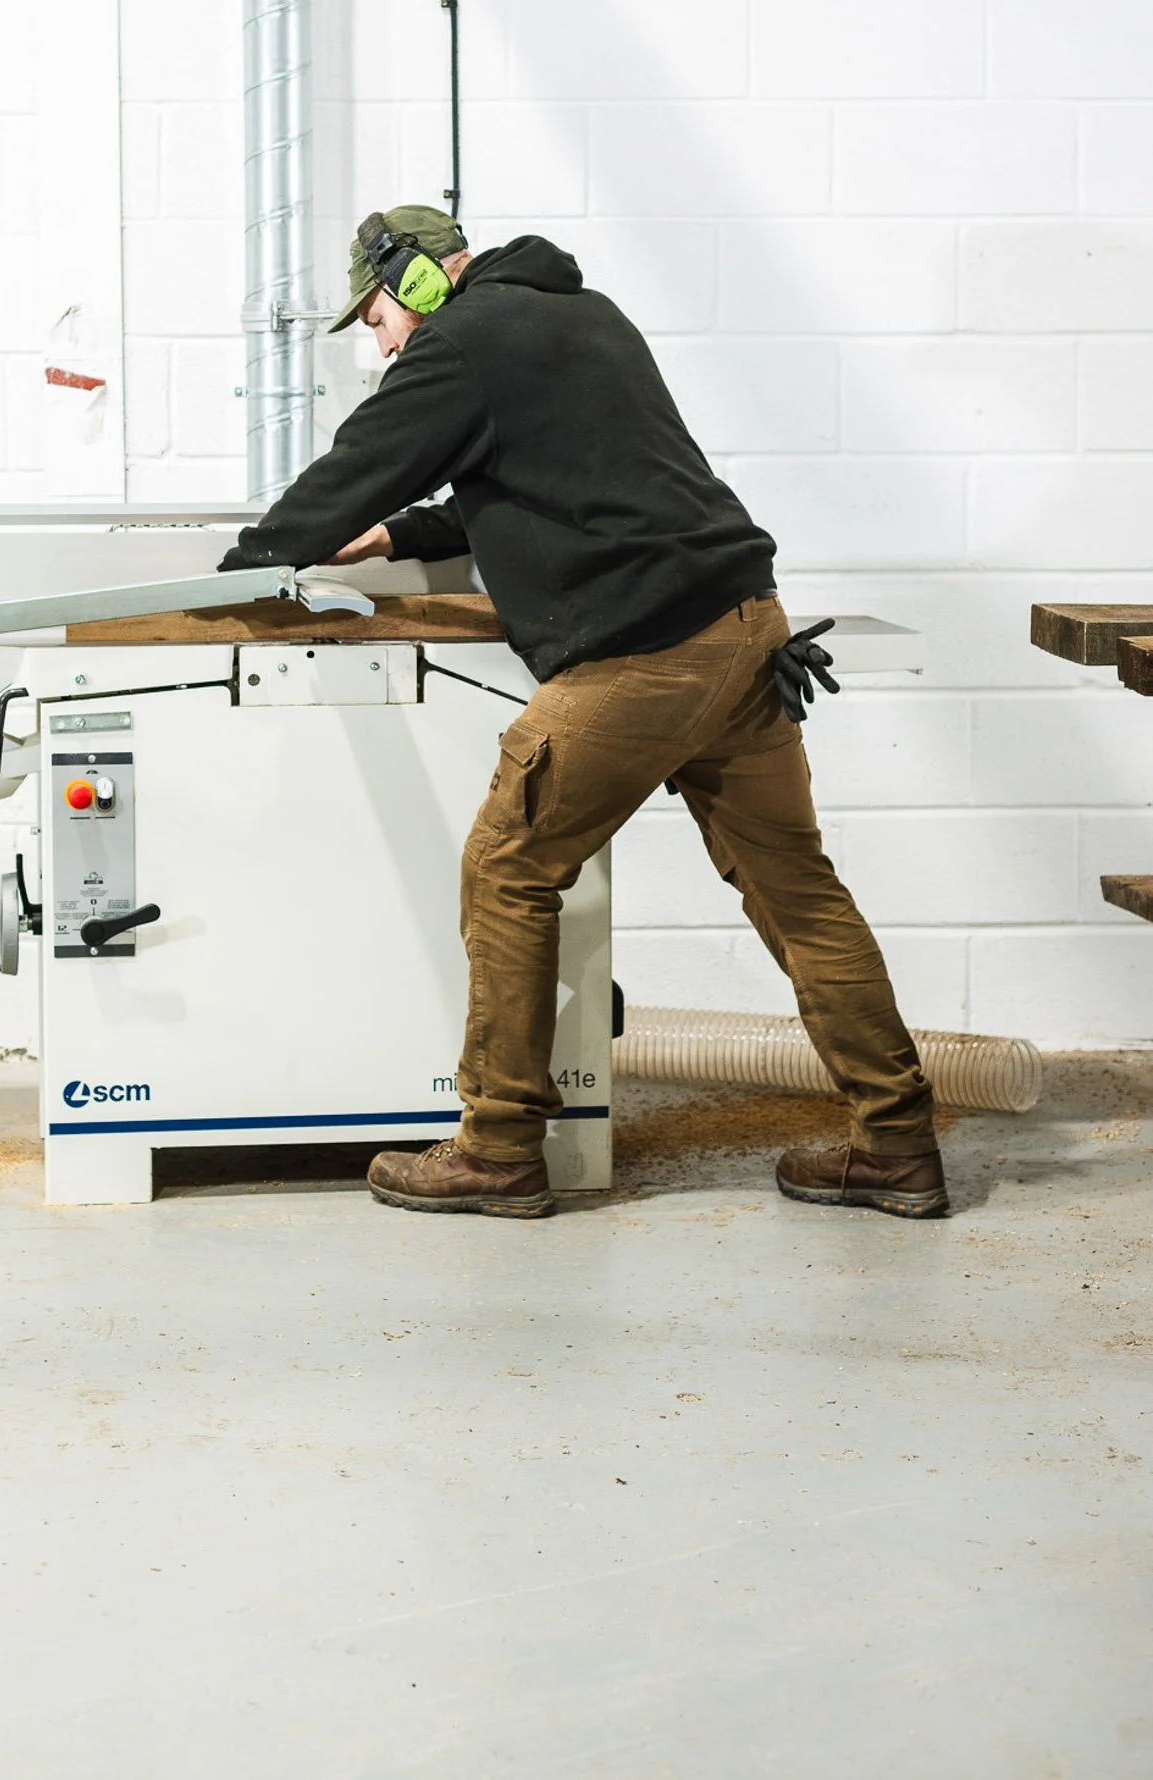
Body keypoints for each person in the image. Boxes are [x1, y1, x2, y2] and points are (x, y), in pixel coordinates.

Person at [219, 205, 948, 1223]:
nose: (380, 339)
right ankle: (900, 1145)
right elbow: (544, 470)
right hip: (743, 629)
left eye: (377, 314)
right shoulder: (583, 313)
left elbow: (351, 469)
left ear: (418, 282)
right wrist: (396, 534)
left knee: (507, 866)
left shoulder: (459, 343)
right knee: (797, 894)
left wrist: (242, 570)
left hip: (646, 657)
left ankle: (498, 1147)